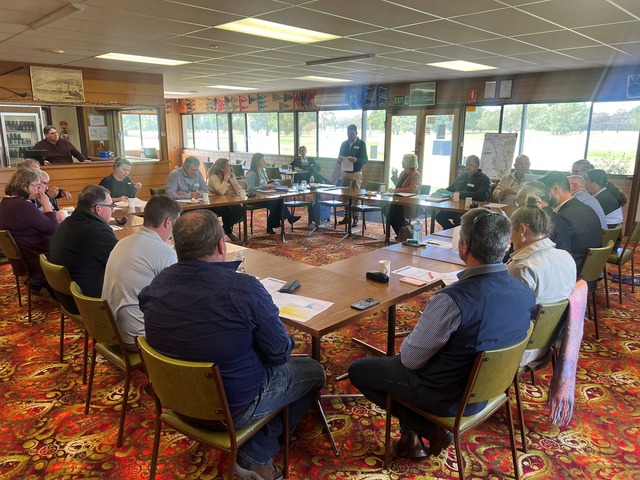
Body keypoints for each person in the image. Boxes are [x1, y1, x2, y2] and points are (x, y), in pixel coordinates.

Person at [139, 210, 325, 480]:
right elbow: (279, 354)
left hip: (175, 401)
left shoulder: (157, 284)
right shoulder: (244, 288)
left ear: (176, 245)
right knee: (313, 371)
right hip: (231, 411)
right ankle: (257, 454)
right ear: (221, 245)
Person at [348, 208, 535, 461]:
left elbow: (410, 360)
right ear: (505, 247)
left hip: (444, 396)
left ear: (463, 247)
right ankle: (411, 437)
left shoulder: (452, 300)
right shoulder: (525, 292)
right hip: (489, 391)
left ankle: (429, 429)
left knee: (359, 370)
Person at [102, 195, 181, 350]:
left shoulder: (122, 243)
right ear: (168, 222)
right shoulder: (165, 253)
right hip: (137, 337)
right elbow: (176, 301)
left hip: (108, 329)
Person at [507, 195, 576, 370]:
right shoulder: (566, 257)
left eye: (511, 231)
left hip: (521, 349)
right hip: (552, 340)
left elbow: (510, 317)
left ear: (522, 229)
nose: (510, 237)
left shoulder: (522, 267)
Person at [49, 185, 118, 301]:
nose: (113, 210)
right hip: (86, 301)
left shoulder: (68, 221)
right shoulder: (96, 231)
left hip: (65, 294)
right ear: (98, 209)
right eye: (111, 206)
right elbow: (121, 262)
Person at [0, 168, 62, 292]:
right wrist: (47, 205)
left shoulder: (6, 202)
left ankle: (39, 281)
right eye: (37, 186)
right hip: (38, 257)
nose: (39, 191)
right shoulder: (21, 206)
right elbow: (53, 229)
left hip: (25, 255)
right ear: (25, 186)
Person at [539, 172, 602, 270]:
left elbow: (553, 250)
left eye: (544, 194)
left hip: (572, 270)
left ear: (555, 190)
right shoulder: (585, 207)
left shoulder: (561, 217)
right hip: (591, 268)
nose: (543, 198)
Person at [245, 153, 299, 235]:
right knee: (275, 202)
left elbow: (265, 183)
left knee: (278, 200)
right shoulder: (251, 174)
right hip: (255, 199)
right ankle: (282, 220)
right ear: (257, 162)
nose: (265, 162)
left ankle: (273, 225)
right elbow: (250, 189)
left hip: (264, 196)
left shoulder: (262, 171)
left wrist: (272, 183)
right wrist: (264, 186)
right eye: (263, 160)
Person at [435, 155, 492, 230]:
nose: (467, 167)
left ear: (477, 166)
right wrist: (442, 191)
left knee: (459, 219)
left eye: (470, 165)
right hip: (457, 207)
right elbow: (451, 189)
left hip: (473, 209)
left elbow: (481, 195)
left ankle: (456, 233)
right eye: (466, 164)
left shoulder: (484, 179)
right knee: (440, 216)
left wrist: (461, 194)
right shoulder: (462, 177)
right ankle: (453, 231)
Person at [516, 181, 572, 254]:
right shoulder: (556, 219)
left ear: (530, 199)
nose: (518, 206)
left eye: (518, 201)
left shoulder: (534, 221)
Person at [383, 153, 422, 238]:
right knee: (385, 208)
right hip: (399, 200)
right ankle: (402, 233)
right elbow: (399, 186)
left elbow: (412, 189)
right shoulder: (403, 173)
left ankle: (404, 232)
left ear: (409, 162)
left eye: (404, 161)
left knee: (394, 211)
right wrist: (394, 176)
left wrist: (395, 190)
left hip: (409, 202)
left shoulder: (415, 174)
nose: (402, 162)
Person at [207, 157, 245, 243]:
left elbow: (239, 189)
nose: (230, 168)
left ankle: (223, 229)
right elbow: (221, 191)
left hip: (229, 201)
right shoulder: (213, 176)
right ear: (221, 168)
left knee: (239, 209)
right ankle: (228, 232)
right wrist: (225, 178)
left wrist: (230, 179)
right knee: (226, 210)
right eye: (228, 166)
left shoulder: (230, 175)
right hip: (215, 203)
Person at [337, 124, 368, 227]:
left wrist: (356, 160)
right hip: (345, 172)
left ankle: (356, 217)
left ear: (356, 133)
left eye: (352, 134)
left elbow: (365, 160)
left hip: (355, 173)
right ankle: (346, 216)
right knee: (345, 196)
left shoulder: (361, 144)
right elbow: (338, 159)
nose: (350, 136)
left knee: (355, 196)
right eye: (348, 134)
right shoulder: (344, 144)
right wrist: (339, 159)